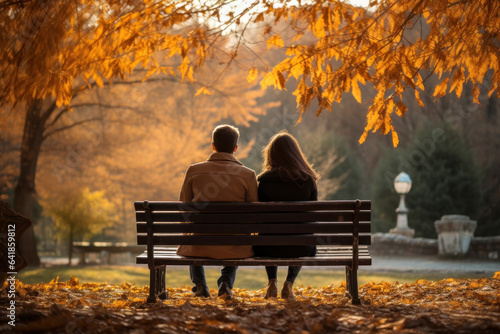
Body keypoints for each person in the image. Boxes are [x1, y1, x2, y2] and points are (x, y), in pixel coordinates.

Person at [176, 124, 258, 300]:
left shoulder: (193, 170)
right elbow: (254, 215)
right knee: (238, 234)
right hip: (235, 246)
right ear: (235, 148)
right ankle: (226, 282)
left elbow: (184, 207)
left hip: (198, 244)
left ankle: (199, 284)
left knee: (192, 234)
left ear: (213, 145)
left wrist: (186, 234)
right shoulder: (248, 175)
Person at [253, 131, 319, 300]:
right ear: (296, 154)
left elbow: (259, 218)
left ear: (271, 155)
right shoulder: (308, 180)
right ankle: (289, 283)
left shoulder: (264, 181)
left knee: (268, 234)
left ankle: (272, 282)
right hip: (301, 246)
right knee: (302, 236)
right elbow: (312, 218)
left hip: (267, 246)